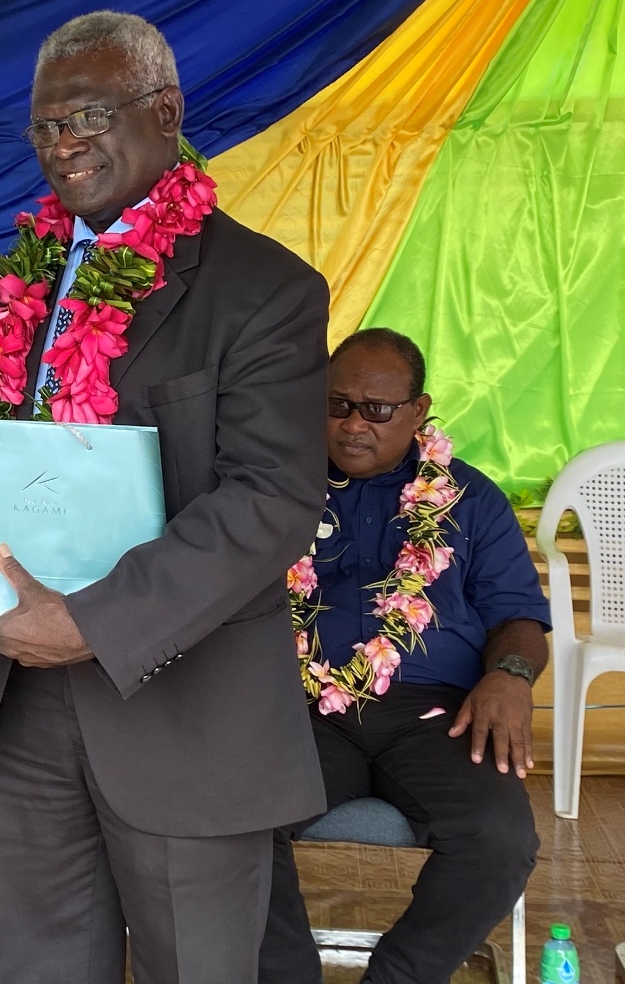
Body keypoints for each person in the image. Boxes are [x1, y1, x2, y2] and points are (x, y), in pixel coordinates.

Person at [0, 11, 329, 984]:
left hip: (183, 713)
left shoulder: (265, 288)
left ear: (165, 110)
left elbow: (270, 501)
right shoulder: (14, 289)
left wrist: (89, 620)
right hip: (23, 707)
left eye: (87, 114)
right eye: (43, 127)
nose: (63, 143)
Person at [258, 328, 548, 984]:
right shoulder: (275, 487)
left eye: (376, 409)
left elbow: (518, 616)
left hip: (437, 713)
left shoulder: (468, 499)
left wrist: (508, 675)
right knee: (234, 821)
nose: (352, 423)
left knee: (498, 839)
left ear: (418, 412)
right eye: (336, 405)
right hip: (300, 709)